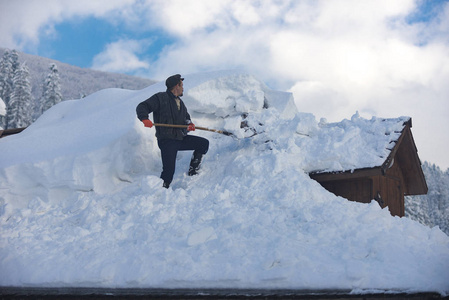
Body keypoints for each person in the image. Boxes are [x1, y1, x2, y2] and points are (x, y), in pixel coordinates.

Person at [136, 74, 209, 189]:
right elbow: (142, 106)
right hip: (167, 141)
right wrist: (144, 118)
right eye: (182, 85)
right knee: (168, 172)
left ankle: (193, 170)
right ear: (176, 86)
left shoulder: (180, 103)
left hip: (180, 138)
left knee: (203, 144)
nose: (183, 88)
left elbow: (186, 117)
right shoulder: (160, 98)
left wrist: (189, 124)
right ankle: (160, 191)